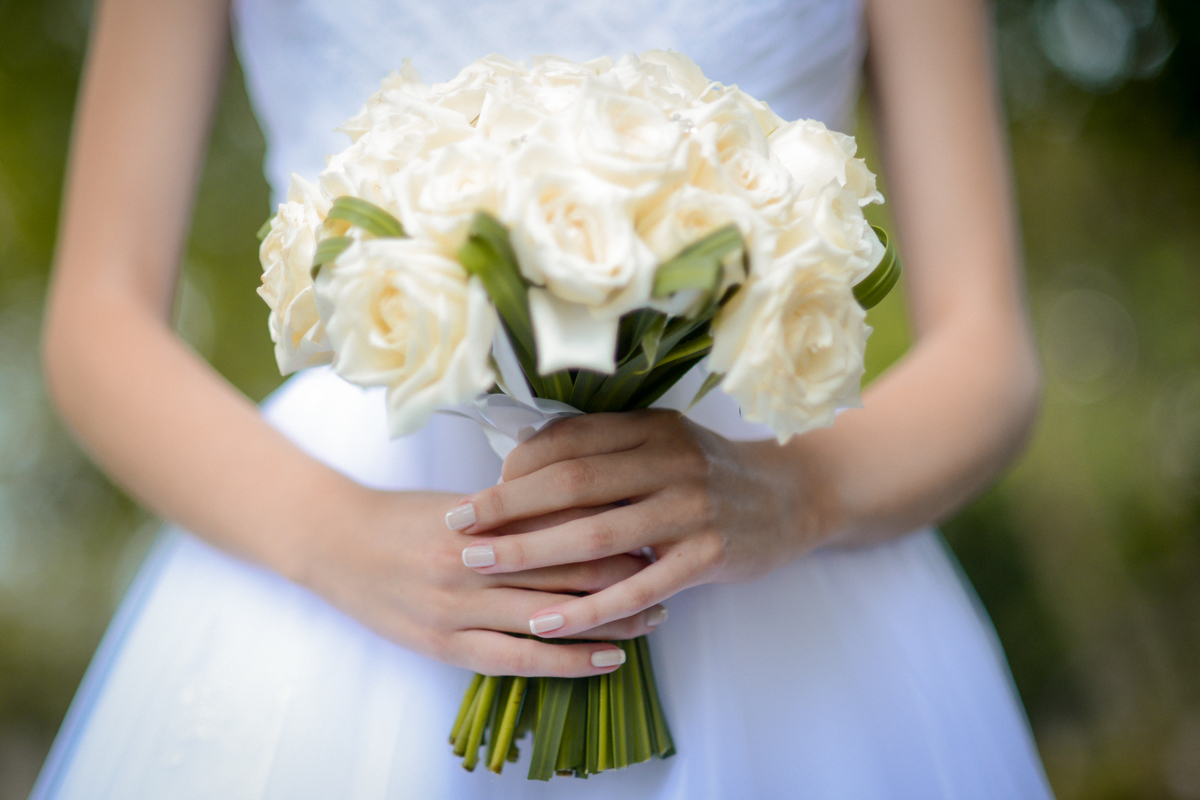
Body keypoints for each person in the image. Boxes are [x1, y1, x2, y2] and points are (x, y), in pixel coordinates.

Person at [33, 0, 1053, 796]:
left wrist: (796, 494)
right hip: (342, 562)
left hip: (779, 574)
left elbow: (989, 348)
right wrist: (340, 536)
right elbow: (97, 316)